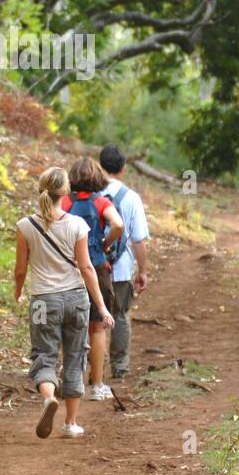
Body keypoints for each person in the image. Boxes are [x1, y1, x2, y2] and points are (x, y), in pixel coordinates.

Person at [15, 166, 115, 439]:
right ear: (66, 193)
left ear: (41, 191)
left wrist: (18, 290)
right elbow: (86, 268)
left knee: (43, 354)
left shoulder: (25, 226)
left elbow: (21, 269)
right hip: (76, 300)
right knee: (75, 356)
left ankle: (48, 397)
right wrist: (102, 307)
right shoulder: (77, 225)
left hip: (41, 303)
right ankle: (70, 424)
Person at [61, 156, 124, 402]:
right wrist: (104, 244)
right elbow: (117, 224)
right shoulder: (100, 202)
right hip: (97, 267)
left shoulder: (64, 202)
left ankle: (69, 381)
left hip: (69, 268)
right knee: (97, 328)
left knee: (69, 327)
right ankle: (97, 386)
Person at [99, 144, 151, 379]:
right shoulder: (131, 198)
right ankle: (119, 366)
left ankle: (93, 368)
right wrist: (143, 271)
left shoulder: (90, 194)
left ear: (100, 166)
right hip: (120, 268)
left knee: (93, 318)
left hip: (93, 267)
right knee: (119, 315)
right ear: (123, 168)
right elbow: (138, 240)